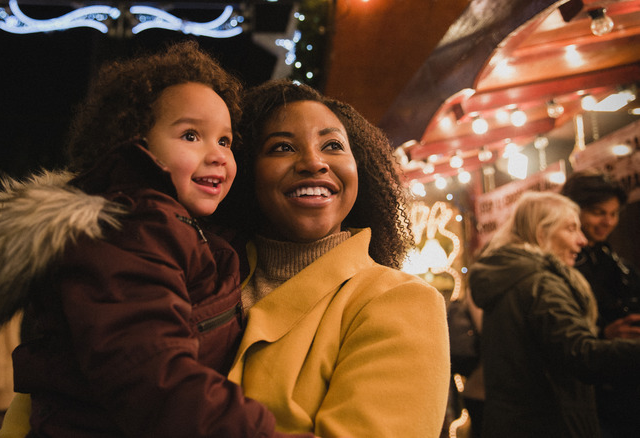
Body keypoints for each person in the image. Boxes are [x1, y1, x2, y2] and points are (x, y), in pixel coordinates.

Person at [0, 41, 311, 437]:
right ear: (135, 143)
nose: (218, 155)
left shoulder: (178, 227)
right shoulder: (128, 229)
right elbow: (151, 373)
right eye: (190, 135)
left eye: (225, 141)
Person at [214, 79, 450, 437]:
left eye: (333, 145)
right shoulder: (208, 277)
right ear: (246, 171)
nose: (313, 162)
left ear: (360, 168)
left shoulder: (399, 300)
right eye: (282, 147)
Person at [468, 191, 640, 437]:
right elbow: (582, 355)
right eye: (571, 229)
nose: (582, 240)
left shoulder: (510, 276)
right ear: (541, 233)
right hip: (550, 424)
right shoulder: (540, 284)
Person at [560, 171, 640, 437]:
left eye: (613, 213)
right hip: (592, 398)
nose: (607, 221)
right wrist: (604, 334)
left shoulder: (613, 260)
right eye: (597, 212)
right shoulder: (562, 266)